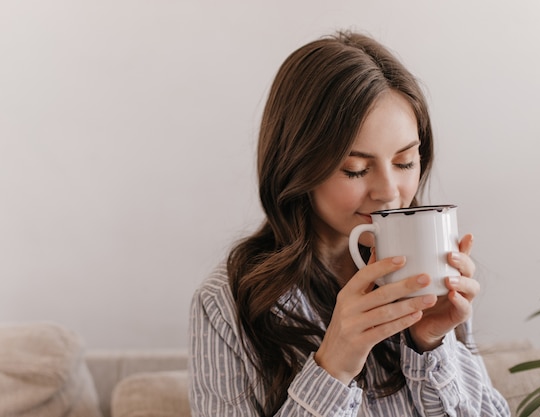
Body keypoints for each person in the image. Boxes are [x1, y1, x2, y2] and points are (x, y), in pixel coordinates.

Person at [189, 30, 510, 417]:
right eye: (355, 169)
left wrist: (431, 346)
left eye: (405, 162)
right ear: (296, 164)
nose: (389, 192)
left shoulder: (431, 271)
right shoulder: (226, 304)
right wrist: (333, 367)